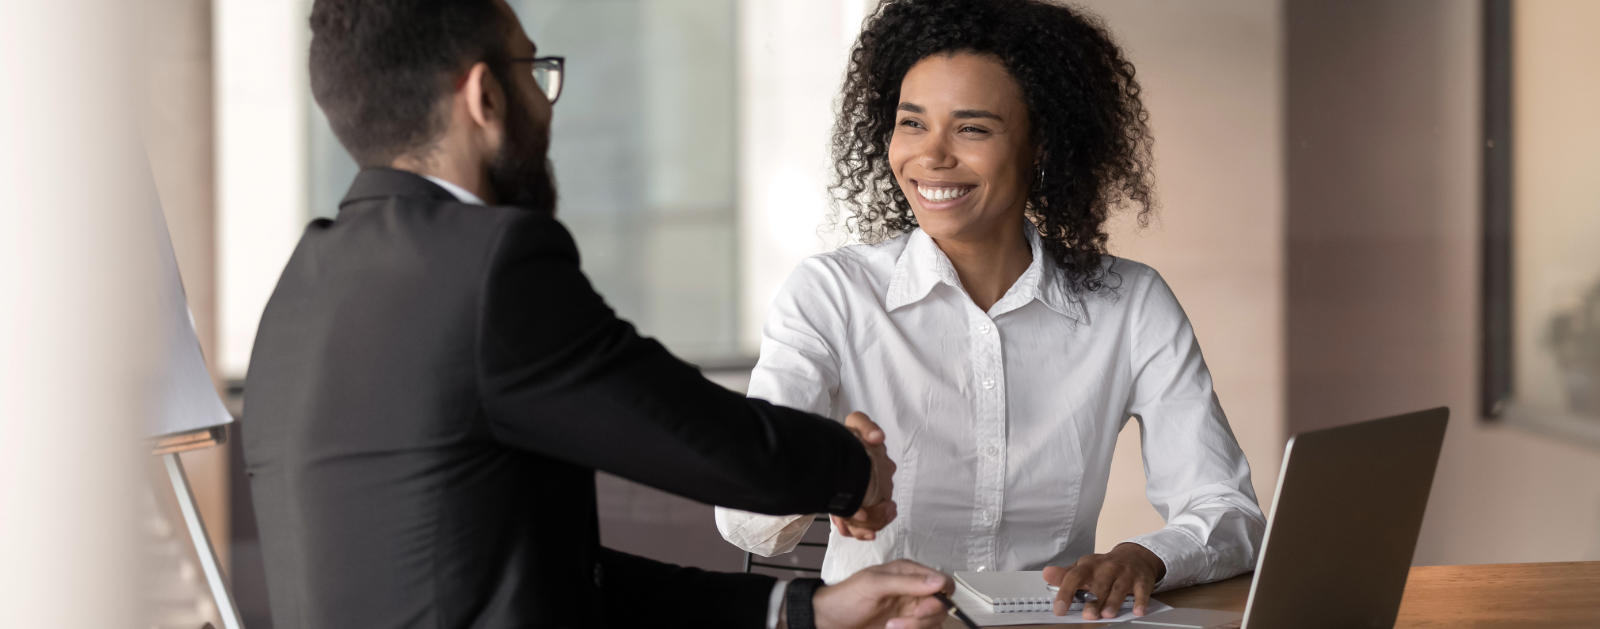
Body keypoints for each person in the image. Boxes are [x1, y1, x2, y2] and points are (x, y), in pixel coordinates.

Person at [242, 1, 952, 628]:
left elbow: (538, 571)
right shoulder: (488, 266)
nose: (546, 103)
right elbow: (698, 434)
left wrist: (802, 610)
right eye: (535, 71)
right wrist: (851, 470)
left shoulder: (301, 290)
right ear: (484, 95)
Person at [714, 0, 1266, 621]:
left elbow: (1229, 509)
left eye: (972, 128)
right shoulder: (831, 294)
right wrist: (826, 464)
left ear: (1042, 145)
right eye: (912, 123)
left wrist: (1146, 555)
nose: (932, 156)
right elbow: (744, 523)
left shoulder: (1129, 303)